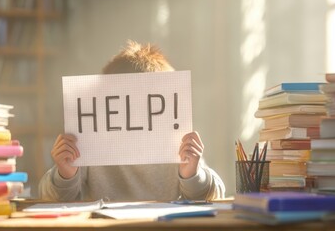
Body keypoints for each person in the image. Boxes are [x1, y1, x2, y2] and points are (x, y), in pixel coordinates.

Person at [37, 40, 226, 202]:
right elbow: (49, 197)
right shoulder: (90, 142)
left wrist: (192, 174)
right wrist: (65, 174)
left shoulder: (176, 142)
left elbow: (216, 193)